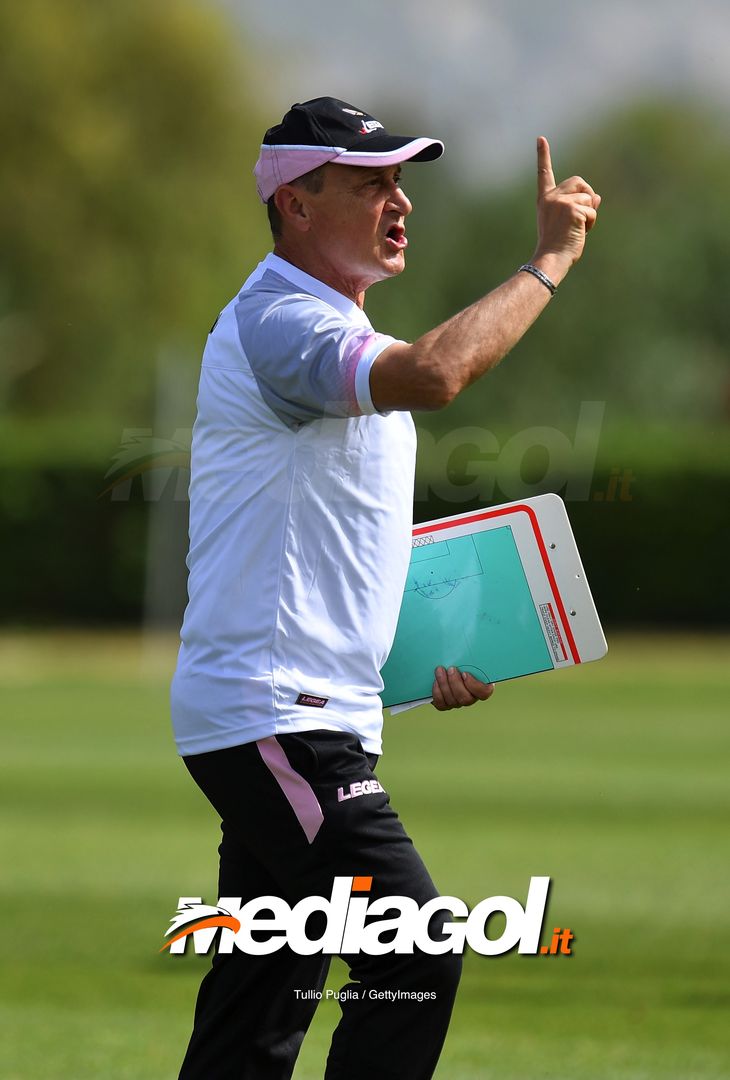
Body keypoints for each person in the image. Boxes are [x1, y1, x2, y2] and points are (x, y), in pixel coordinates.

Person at [170, 96, 600, 1080]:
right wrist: (548, 261)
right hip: (278, 718)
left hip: (303, 717)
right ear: (296, 203)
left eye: (400, 183)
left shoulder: (325, 325)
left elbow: (332, 554)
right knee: (415, 950)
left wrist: (438, 654)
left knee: (258, 1011)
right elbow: (437, 374)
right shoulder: (281, 320)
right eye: (371, 185)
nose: (399, 202)